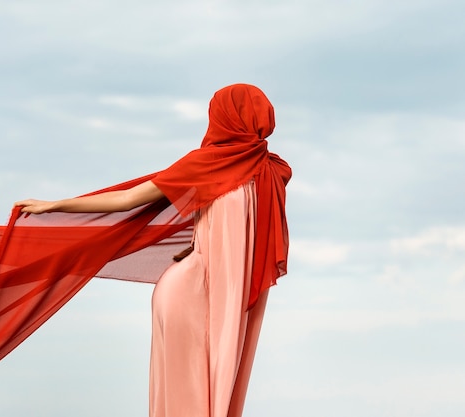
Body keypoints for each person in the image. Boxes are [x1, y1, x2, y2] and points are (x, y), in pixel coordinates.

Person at [15, 83, 292, 417]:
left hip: (228, 295)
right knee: (186, 396)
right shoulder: (209, 165)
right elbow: (128, 198)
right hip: (191, 291)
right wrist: (57, 204)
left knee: (216, 387)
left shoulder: (272, 171)